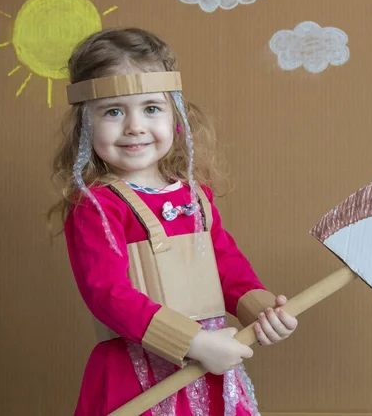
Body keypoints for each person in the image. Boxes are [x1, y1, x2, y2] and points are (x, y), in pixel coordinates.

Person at [48, 27, 298, 415]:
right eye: (114, 111)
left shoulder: (195, 195)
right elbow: (107, 294)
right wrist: (194, 342)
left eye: (151, 108)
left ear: (176, 115)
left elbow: (226, 266)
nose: (134, 126)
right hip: (138, 367)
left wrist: (261, 310)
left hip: (209, 361)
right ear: (86, 124)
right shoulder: (96, 207)